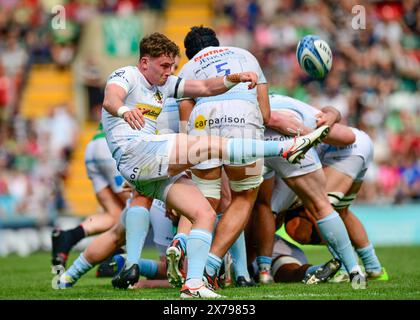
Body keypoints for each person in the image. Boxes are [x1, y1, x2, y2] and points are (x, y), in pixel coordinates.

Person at [100, 32, 330, 298]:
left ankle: (194, 285)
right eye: (164, 66)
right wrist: (124, 111)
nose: (169, 72)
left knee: (204, 214)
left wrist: (233, 79)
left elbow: (206, 88)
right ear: (144, 63)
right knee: (211, 145)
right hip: (136, 151)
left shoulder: (164, 85)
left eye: (172, 66)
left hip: (148, 166)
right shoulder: (126, 75)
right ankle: (285, 148)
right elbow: (110, 100)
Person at [167, 25, 268, 289]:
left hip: (203, 119)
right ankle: (211, 266)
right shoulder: (246, 56)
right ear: (218, 43)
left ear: (190, 54)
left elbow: (184, 119)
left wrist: (187, 157)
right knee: (244, 195)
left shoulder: (187, 69)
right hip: (243, 119)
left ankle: (181, 242)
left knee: (203, 202)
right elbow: (266, 113)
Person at [251, 94, 367, 287]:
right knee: (322, 206)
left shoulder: (242, 102)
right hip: (291, 140)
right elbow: (348, 137)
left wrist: (333, 113)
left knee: (252, 206)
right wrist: (314, 130)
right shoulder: (307, 111)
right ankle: (355, 272)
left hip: (252, 141)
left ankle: (252, 272)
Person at [51, 122, 129, 267]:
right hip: (115, 146)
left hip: (94, 146)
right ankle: (113, 261)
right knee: (139, 207)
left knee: (115, 215)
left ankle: (69, 236)